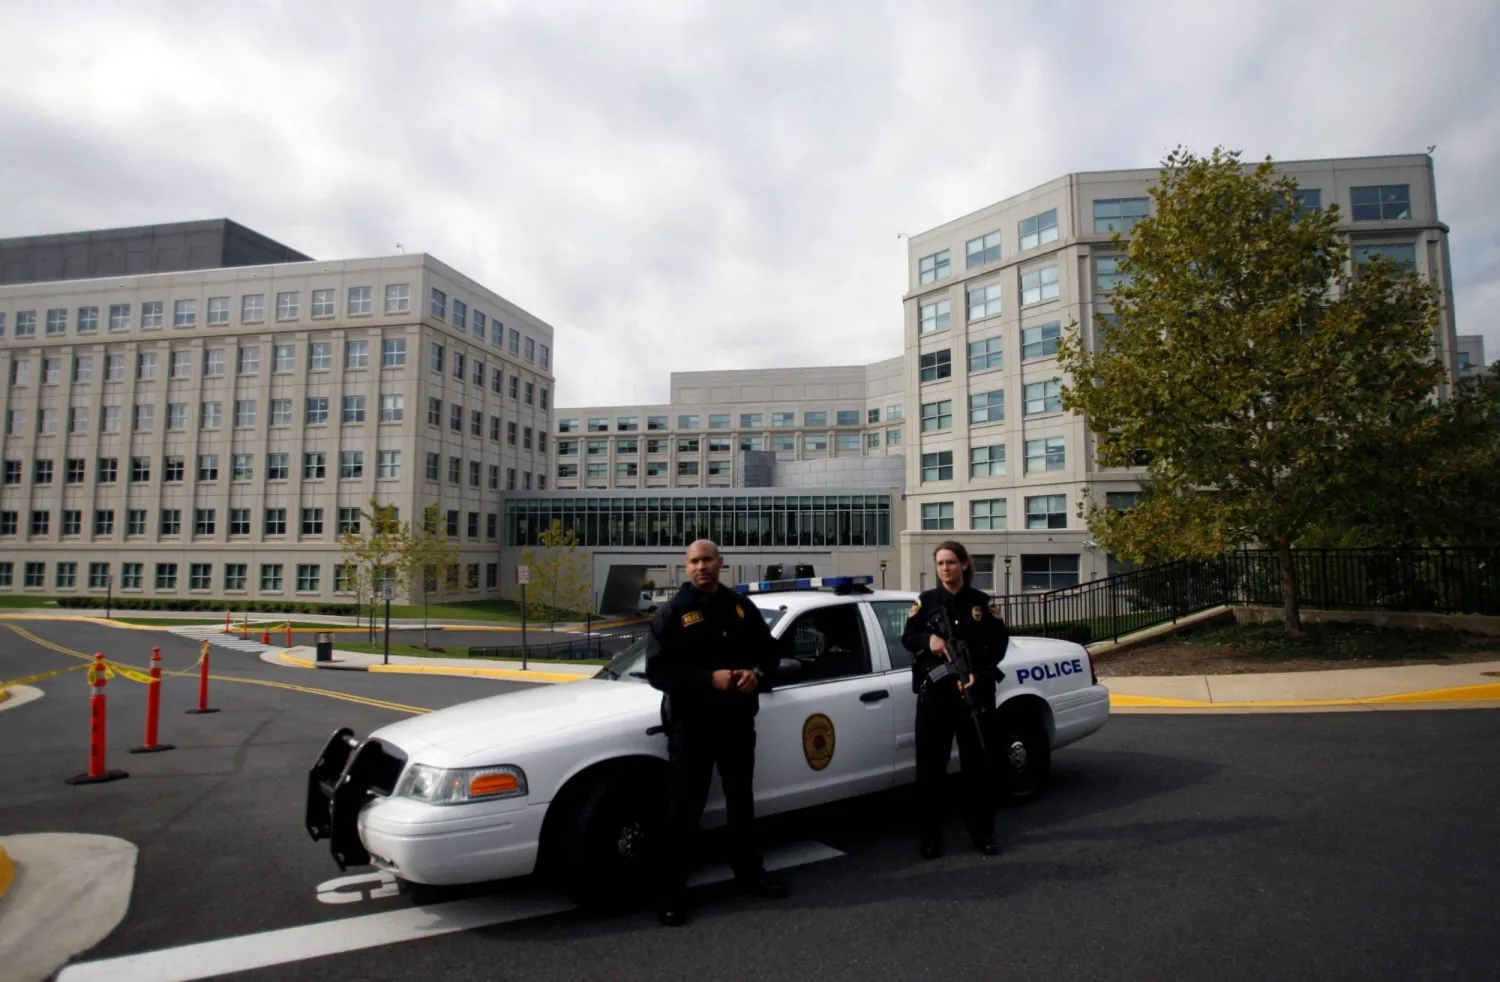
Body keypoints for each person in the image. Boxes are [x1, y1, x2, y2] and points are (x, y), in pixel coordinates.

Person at [645, 539, 789, 927]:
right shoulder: (672, 613)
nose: (701, 566)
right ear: (686, 566)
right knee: (684, 809)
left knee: (741, 800)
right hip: (692, 726)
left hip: (736, 722)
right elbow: (659, 673)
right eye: (694, 561)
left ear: (721, 563)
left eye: (707, 559)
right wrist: (710, 678)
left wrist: (754, 675)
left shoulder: (740, 607)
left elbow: (769, 653)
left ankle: (749, 874)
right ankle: (672, 893)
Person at [902, 540, 1011, 859]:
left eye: (951, 562)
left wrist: (979, 671)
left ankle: (983, 833)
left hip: (973, 696)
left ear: (964, 564)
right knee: (931, 769)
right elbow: (908, 638)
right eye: (940, 563)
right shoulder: (926, 602)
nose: (945, 568)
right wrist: (930, 639)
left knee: (978, 769)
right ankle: (930, 837)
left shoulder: (981, 603)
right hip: (936, 696)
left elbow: (1000, 643)